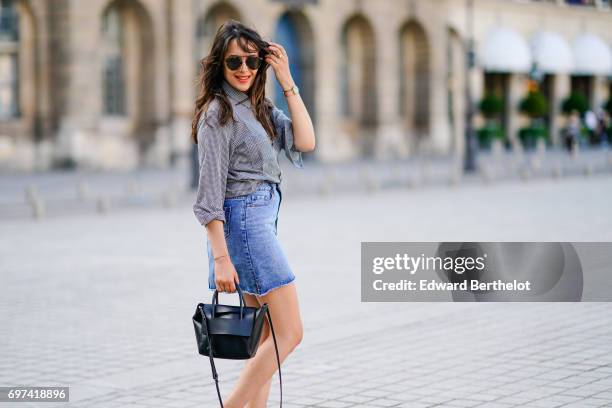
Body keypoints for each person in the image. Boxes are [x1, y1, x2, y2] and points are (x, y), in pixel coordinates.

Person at [190, 20, 315, 407]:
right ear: (219, 66)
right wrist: (221, 260)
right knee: (289, 333)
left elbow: (306, 141)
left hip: (259, 224)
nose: (244, 69)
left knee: (265, 338)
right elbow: (209, 198)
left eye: (251, 61)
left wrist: (286, 77)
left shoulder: (259, 108)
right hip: (244, 227)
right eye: (234, 62)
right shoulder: (218, 114)